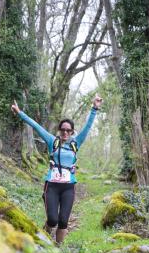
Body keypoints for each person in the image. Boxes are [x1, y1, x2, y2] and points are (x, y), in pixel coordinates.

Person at [11, 94, 103, 244]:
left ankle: (57, 250)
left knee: (63, 222)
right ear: (59, 130)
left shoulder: (76, 143)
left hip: (68, 187)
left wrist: (94, 108)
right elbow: (35, 126)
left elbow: (88, 126)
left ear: (72, 132)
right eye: (63, 130)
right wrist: (20, 113)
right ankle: (41, 242)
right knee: (52, 220)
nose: (65, 133)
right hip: (52, 186)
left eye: (68, 130)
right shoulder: (51, 141)